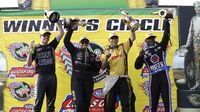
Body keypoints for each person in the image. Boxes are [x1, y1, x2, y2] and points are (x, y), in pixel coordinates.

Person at [134, 19, 172, 112]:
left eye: (152, 38)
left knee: (167, 101)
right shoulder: (144, 53)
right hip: (153, 78)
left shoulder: (160, 47)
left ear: (155, 39)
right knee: (153, 102)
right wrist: (139, 56)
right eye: (149, 39)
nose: (151, 40)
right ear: (146, 40)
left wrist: (166, 22)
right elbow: (137, 66)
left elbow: (166, 36)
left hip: (164, 76)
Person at [63, 22, 101, 112]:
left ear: (88, 44)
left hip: (88, 79)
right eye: (82, 42)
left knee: (86, 105)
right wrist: (71, 29)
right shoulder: (74, 51)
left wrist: (98, 62)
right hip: (77, 79)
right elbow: (66, 41)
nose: (84, 44)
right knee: (79, 103)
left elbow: (96, 70)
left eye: (86, 42)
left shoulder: (93, 55)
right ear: (79, 43)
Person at [26, 21, 64, 112]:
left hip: (52, 76)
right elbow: (28, 64)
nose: (46, 37)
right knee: (37, 104)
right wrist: (30, 52)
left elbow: (61, 33)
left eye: (48, 36)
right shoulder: (35, 48)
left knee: (51, 105)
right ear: (40, 37)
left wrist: (57, 22)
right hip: (41, 77)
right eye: (44, 35)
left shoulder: (51, 45)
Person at [101, 29, 136, 111]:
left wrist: (132, 29)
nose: (114, 40)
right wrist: (106, 58)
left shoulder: (123, 46)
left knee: (127, 103)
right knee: (109, 104)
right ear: (109, 40)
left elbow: (132, 38)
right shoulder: (105, 51)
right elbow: (103, 67)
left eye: (116, 38)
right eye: (112, 38)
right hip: (111, 79)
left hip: (123, 78)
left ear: (118, 39)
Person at [185, 1, 200, 90]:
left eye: (198, 7)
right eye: (195, 8)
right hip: (197, 45)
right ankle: (198, 82)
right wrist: (187, 44)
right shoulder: (193, 19)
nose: (196, 9)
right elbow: (190, 32)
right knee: (197, 64)